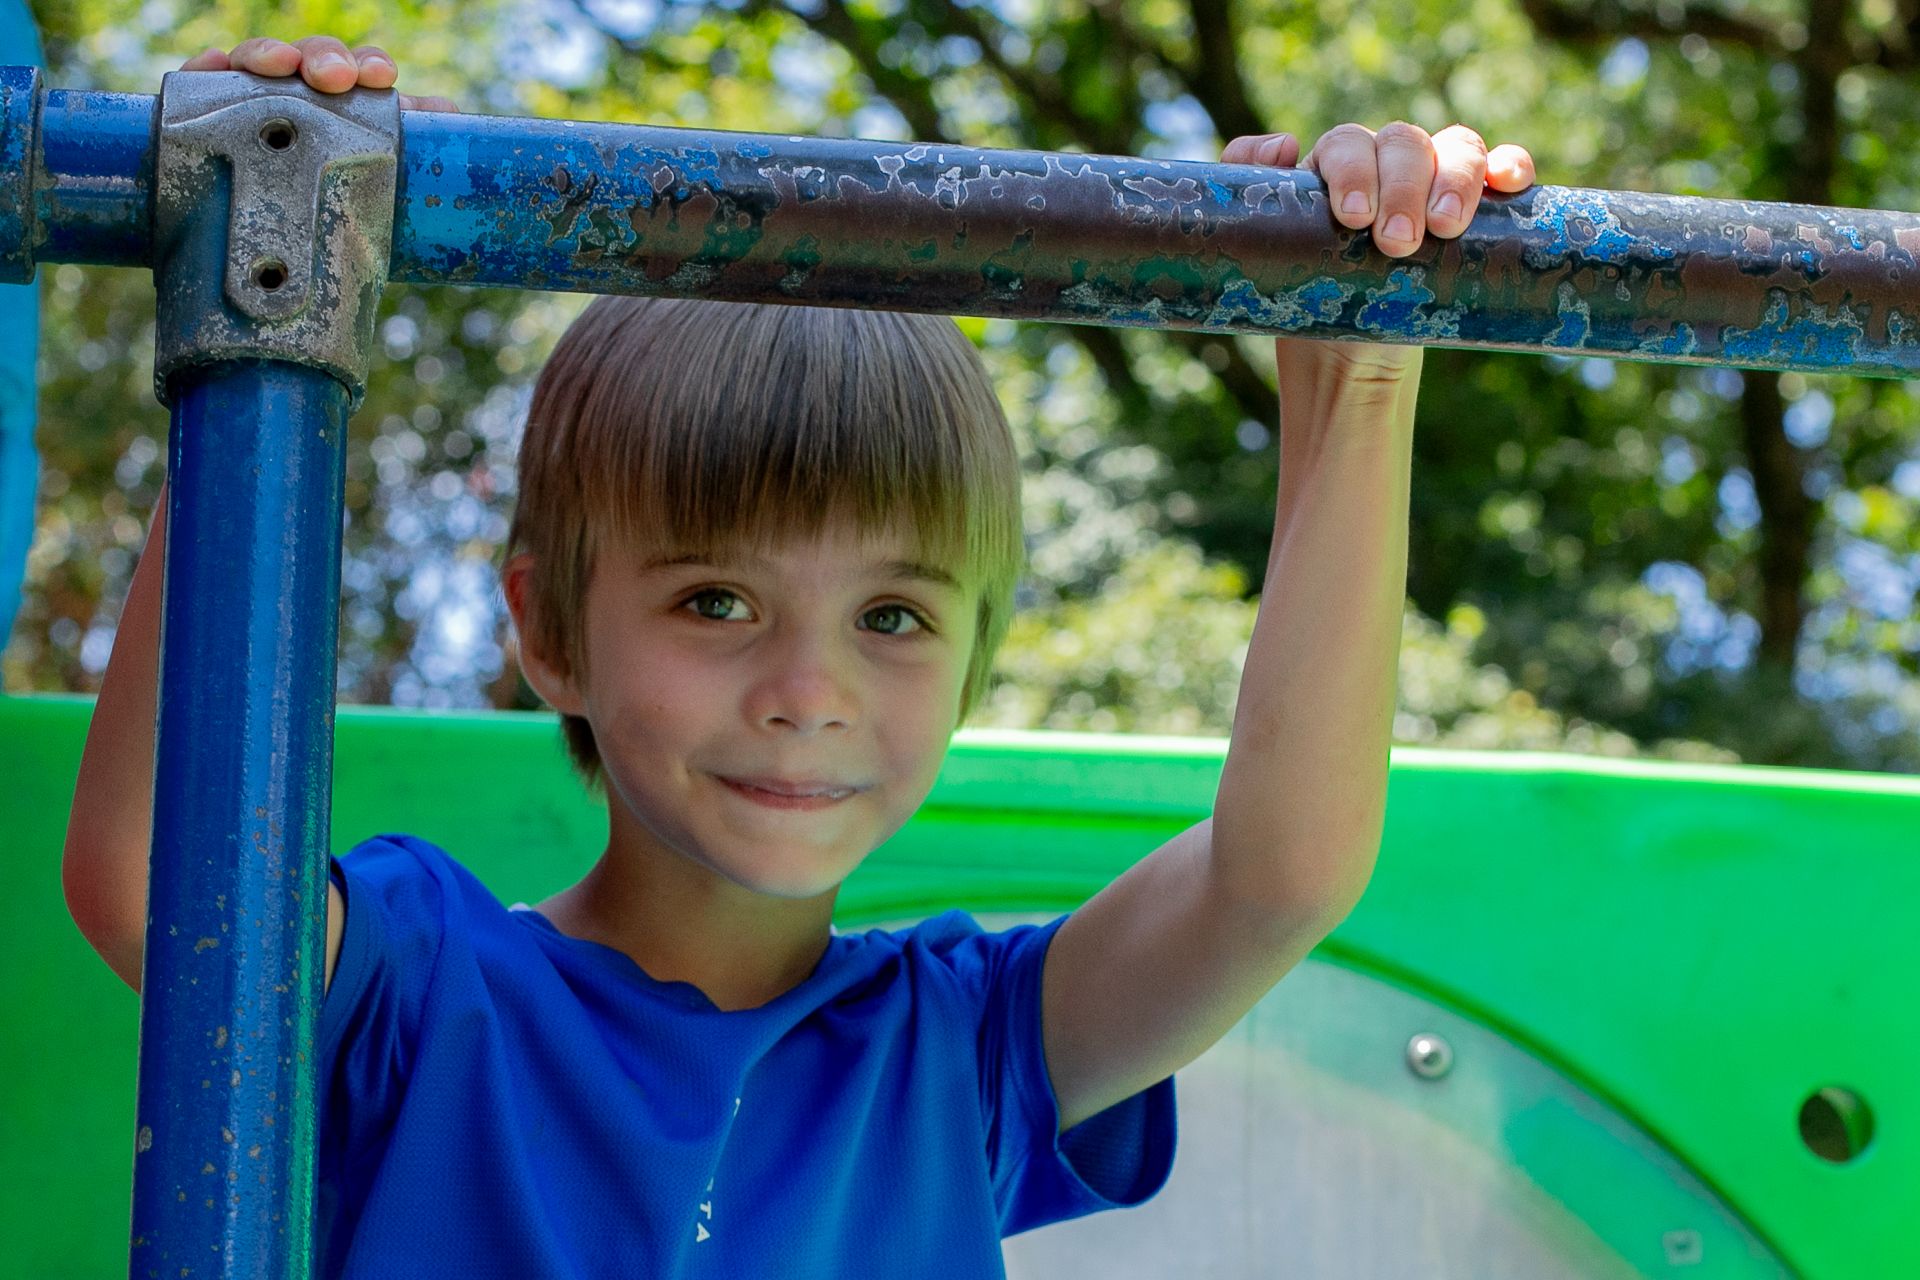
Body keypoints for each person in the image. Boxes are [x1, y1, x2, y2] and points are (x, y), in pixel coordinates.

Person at [61, 33, 1537, 1278]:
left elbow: (1279, 878)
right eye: (716, 602)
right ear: (548, 633)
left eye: (892, 619)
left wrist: (1359, 381)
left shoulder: (962, 1054)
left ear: (969, 664)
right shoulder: (423, 987)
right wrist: (271, 304)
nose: (807, 693)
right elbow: (149, 877)